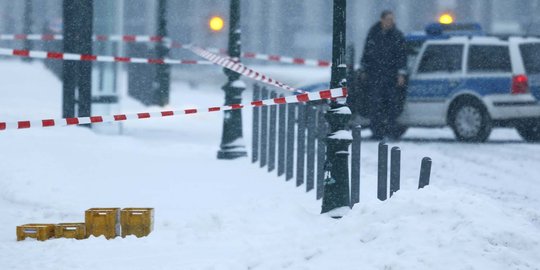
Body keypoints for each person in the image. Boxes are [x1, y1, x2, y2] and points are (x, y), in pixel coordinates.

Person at [359, 10, 407, 140]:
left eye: (392, 19)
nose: (390, 22)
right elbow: (367, 53)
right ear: (382, 20)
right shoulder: (374, 34)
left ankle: (391, 131)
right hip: (375, 76)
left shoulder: (397, 36)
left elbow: (402, 56)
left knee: (392, 105)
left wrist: (401, 73)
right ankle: (377, 132)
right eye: (388, 19)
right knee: (375, 105)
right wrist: (364, 69)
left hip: (391, 77)